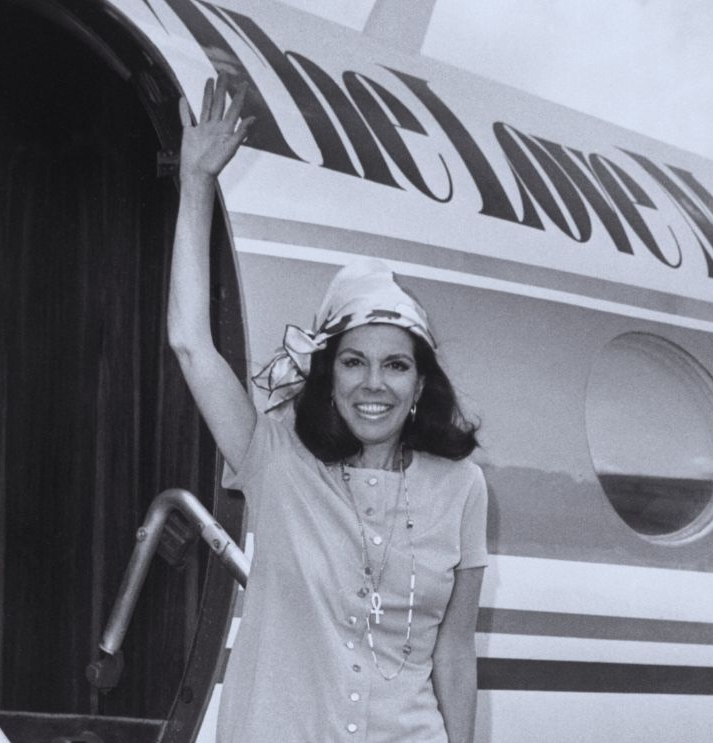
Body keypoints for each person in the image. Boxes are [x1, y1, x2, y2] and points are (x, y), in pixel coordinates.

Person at [167, 74, 487, 743]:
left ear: (421, 383)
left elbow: (454, 651)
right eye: (353, 360)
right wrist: (195, 183)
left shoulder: (461, 487)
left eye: (396, 364)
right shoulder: (273, 456)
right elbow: (190, 344)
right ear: (328, 376)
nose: (374, 383)